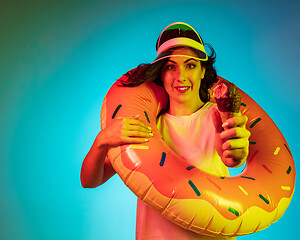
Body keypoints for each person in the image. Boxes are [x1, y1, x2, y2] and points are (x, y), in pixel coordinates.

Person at [81, 22, 250, 240]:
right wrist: (101, 141)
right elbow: (90, 180)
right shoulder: (146, 124)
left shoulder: (216, 116)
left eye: (190, 65)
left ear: (202, 72)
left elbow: (231, 155)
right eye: (171, 66)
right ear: (160, 74)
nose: (181, 76)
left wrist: (236, 150)